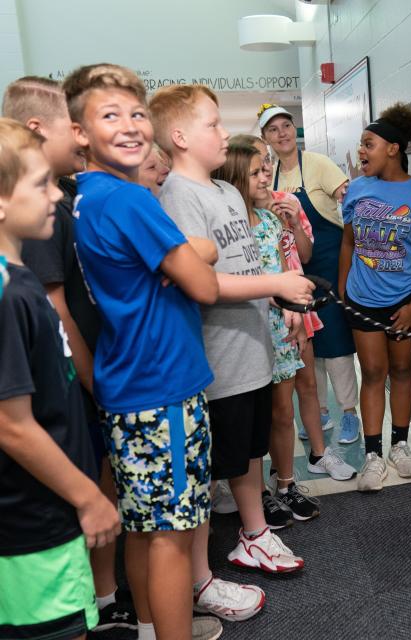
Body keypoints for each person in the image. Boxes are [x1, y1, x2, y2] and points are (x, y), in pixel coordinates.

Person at [63, 63, 221, 640]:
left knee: (143, 527)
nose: (130, 126)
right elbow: (203, 285)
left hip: (127, 381)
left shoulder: (88, 196)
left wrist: (182, 253)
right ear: (79, 132)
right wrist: (194, 249)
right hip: (162, 387)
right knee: (172, 540)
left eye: (136, 113)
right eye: (110, 116)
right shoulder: (131, 203)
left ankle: (154, 630)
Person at [151, 85, 312, 607]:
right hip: (216, 358)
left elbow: (244, 263)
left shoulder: (223, 191)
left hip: (252, 352)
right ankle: (199, 580)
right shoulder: (178, 194)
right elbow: (202, 282)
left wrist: (282, 295)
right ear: (179, 137)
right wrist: (276, 286)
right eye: (213, 125)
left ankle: (254, 534)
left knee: (248, 455)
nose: (224, 133)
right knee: (206, 476)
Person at [2, 75, 139, 631]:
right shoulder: (8, 295)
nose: (58, 194)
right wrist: (88, 496)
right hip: (31, 521)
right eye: (41, 185)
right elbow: (11, 425)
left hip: (47, 509)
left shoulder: (19, 280)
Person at [231, 133, 356, 485]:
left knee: (308, 387)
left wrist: (290, 221)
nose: (264, 171)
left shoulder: (283, 207)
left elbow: (303, 255)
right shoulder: (235, 218)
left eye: (265, 164)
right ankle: (275, 470)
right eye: (256, 166)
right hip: (261, 319)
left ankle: (318, 453)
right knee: (275, 406)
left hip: (297, 309)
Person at [338, 103, 411, 492]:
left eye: (369, 143)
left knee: (401, 371)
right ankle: (373, 455)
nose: (361, 150)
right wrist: (342, 292)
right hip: (362, 298)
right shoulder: (357, 190)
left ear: (394, 149)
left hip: (404, 301)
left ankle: (400, 446)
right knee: (372, 374)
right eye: (361, 144)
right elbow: (348, 242)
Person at [259, 104, 363, 446]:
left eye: (286, 125)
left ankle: (349, 412)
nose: (282, 133)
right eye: (273, 129)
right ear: (266, 139)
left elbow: (348, 198)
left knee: (335, 344)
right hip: (293, 269)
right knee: (307, 344)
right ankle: (318, 410)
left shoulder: (317, 164)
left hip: (329, 263)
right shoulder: (268, 176)